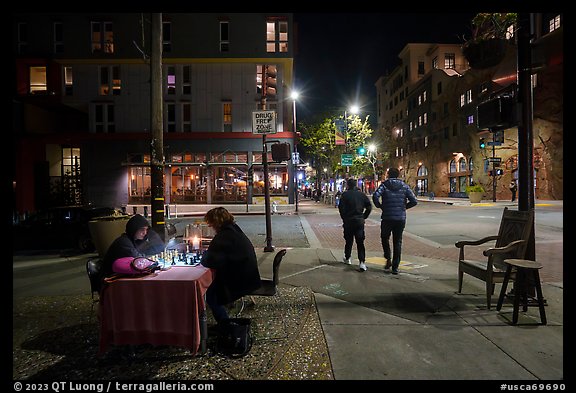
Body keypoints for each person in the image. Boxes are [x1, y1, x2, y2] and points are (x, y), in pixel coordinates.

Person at [200, 207, 261, 323]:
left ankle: (225, 323)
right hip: (249, 274)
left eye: (211, 223)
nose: (210, 227)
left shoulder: (224, 236)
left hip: (241, 279)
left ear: (216, 222)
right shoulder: (234, 230)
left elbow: (209, 261)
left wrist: (203, 256)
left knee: (210, 293)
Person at [372, 168, 418, 275]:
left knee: (384, 238)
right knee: (397, 242)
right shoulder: (404, 186)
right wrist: (404, 208)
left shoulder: (384, 185)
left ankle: (388, 258)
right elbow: (414, 201)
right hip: (400, 218)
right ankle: (395, 267)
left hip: (387, 217)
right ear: (398, 175)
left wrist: (380, 206)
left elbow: (375, 196)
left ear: (388, 174)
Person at [102, 213, 165, 278]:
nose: (145, 232)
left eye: (146, 230)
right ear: (133, 229)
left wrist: (151, 234)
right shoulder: (123, 242)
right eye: (142, 229)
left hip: (122, 276)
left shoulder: (136, 241)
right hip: (109, 279)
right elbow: (139, 259)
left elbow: (160, 247)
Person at [338, 178, 372, 272]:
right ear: (356, 185)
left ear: (347, 185)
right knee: (360, 242)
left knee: (348, 241)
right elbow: (369, 206)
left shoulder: (345, 195)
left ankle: (348, 257)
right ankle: (362, 262)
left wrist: (344, 218)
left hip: (348, 221)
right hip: (359, 221)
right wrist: (364, 216)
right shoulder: (362, 195)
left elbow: (341, 208)